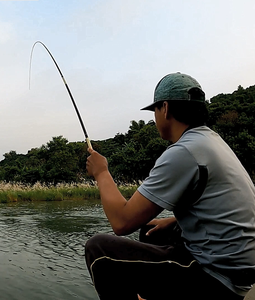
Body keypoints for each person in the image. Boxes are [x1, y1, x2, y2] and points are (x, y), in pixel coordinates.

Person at [85, 72, 255, 300]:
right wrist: (174, 221)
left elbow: (122, 222)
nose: (155, 118)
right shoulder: (210, 141)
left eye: (154, 111)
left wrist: (101, 172)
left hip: (218, 279)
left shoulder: (183, 152)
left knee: (98, 249)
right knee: (150, 231)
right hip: (240, 271)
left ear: (164, 109)